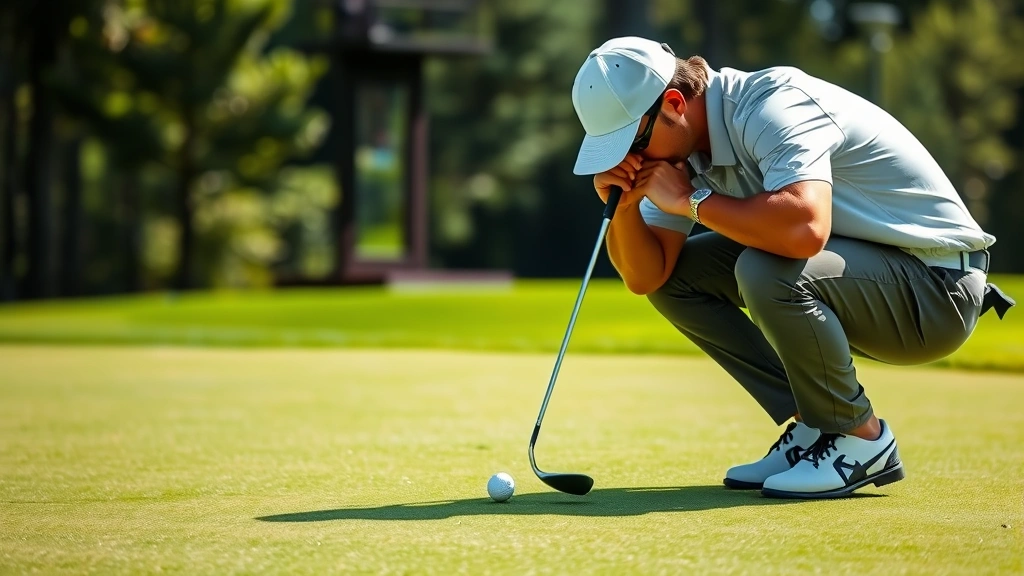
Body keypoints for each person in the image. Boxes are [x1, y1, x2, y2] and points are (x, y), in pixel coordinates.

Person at [569, 36, 1015, 499]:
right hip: (874, 275)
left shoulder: (771, 105)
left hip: (937, 289)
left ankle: (861, 438)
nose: (632, 159)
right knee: (681, 279)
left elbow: (805, 228)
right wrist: (625, 207)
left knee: (763, 270)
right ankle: (816, 423)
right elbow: (648, 277)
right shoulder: (679, 153)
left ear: (675, 104)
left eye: (633, 142)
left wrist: (688, 200)